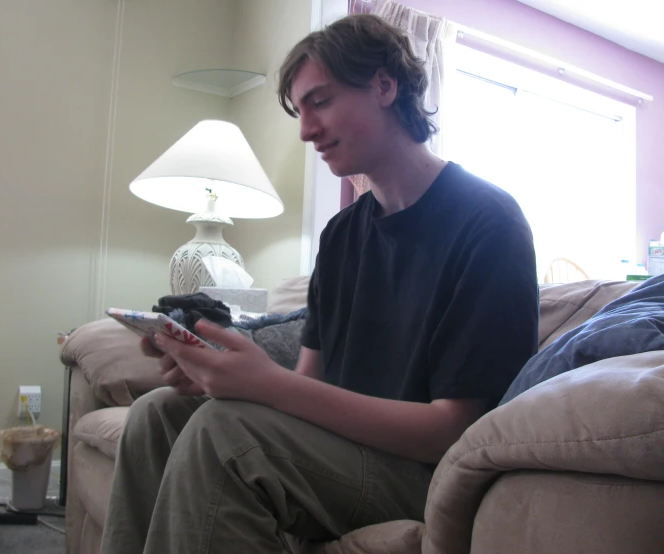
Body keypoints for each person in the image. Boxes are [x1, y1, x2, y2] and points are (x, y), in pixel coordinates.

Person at [100, 13, 539, 554]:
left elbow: (453, 429)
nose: (306, 130)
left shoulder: (487, 222)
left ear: (384, 85)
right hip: (342, 449)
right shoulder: (341, 236)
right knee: (154, 415)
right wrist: (223, 377)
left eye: (321, 101)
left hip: (430, 472)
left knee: (225, 435)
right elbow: (312, 383)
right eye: (300, 111)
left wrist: (267, 385)